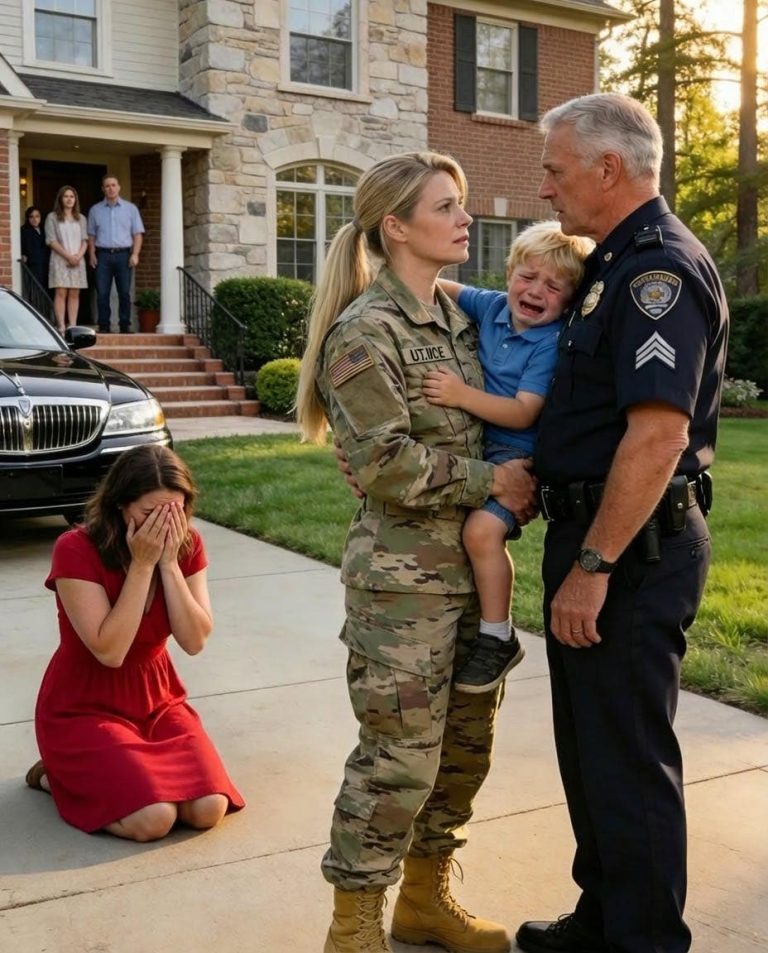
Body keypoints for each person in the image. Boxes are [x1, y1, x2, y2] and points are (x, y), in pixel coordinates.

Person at [296, 151, 536, 953]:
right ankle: (354, 920)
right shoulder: (366, 332)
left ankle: (425, 899)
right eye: (447, 206)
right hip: (402, 591)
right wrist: (490, 477)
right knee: (398, 760)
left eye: (463, 203)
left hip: (472, 579)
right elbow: (382, 463)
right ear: (396, 226)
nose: (465, 218)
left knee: (465, 750)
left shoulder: (466, 321)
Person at [515, 93, 728, 953]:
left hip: (631, 550)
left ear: (609, 168)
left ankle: (644, 941)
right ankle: (603, 918)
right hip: (601, 534)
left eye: (555, 171)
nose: (544, 189)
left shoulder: (656, 272)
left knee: (629, 761)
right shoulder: (608, 264)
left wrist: (593, 566)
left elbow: (657, 432)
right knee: (592, 750)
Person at [25, 445, 245, 841]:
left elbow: (194, 641)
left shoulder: (187, 544)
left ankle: (119, 776)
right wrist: (141, 565)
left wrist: (168, 562)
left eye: (175, 512)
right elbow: (110, 651)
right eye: (150, 514)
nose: (164, 525)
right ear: (121, 507)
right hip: (85, 705)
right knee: (152, 819)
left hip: (157, 700)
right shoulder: (75, 549)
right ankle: (55, 776)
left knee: (209, 807)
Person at [425, 221, 594, 693]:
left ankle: (498, 637)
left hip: (516, 456)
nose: (535, 290)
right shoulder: (493, 306)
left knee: (482, 532)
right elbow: (440, 284)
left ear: (569, 299)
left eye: (553, 285)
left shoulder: (549, 343)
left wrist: (459, 395)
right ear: (509, 273)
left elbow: (523, 413)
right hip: (475, 447)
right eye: (527, 276)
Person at [87, 174, 145, 334]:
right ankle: (104, 326)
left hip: (124, 255)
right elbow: (91, 235)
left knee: (124, 292)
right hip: (103, 255)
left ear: (119, 187)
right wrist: (91, 254)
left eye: (113, 185)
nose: (111, 188)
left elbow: (138, 234)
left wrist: (135, 254)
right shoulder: (95, 210)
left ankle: (125, 326)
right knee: (102, 292)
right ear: (103, 189)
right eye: (107, 186)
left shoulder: (131, 209)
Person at [44, 186, 88, 333]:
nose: (69, 199)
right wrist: (68, 256)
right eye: (66, 196)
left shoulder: (81, 218)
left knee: (75, 293)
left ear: (75, 200)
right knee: (61, 292)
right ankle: (62, 325)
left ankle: (73, 325)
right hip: (60, 259)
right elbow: (51, 240)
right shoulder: (52, 217)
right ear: (60, 199)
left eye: (72, 197)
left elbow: (85, 240)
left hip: (77, 260)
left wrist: (78, 256)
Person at [20, 205, 50, 291]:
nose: (35, 219)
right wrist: (22, 254)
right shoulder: (23, 230)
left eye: (37, 216)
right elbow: (21, 246)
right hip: (32, 267)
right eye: (31, 217)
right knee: (34, 292)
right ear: (27, 218)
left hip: (45, 266)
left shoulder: (45, 230)